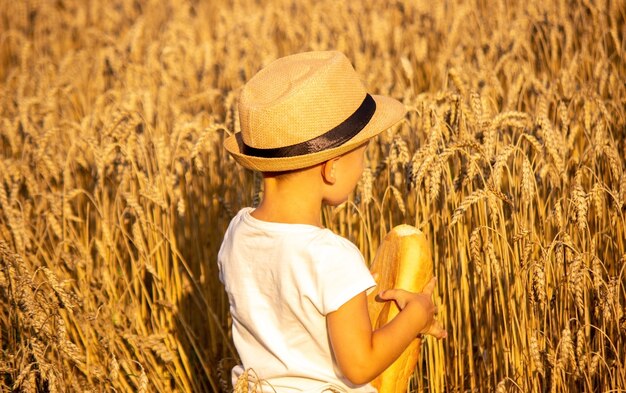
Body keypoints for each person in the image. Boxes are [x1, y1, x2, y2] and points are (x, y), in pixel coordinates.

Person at [218, 50, 446, 393]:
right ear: (332, 167)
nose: (364, 168)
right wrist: (417, 316)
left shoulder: (236, 232)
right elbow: (359, 366)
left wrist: (356, 295)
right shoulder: (331, 256)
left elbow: (290, 318)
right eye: (362, 154)